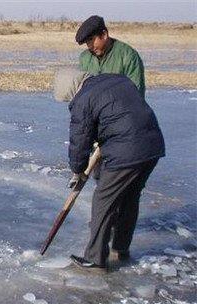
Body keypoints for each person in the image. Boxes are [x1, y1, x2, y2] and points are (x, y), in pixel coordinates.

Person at [53, 68, 165, 271]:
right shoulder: (116, 80)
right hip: (152, 146)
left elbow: (80, 141)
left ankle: (96, 258)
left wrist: (78, 170)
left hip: (126, 151)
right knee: (129, 198)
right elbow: (120, 115)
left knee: (103, 200)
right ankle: (121, 247)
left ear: (72, 89)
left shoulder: (83, 100)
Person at [76, 15, 146, 99]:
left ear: (104, 35)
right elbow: (82, 93)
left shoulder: (128, 56)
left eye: (91, 40)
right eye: (87, 43)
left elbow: (136, 94)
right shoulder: (85, 58)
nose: (90, 46)